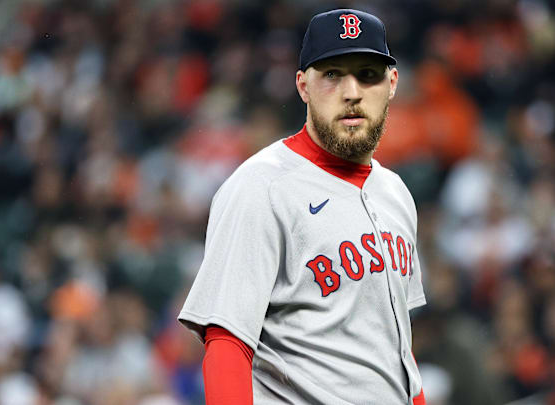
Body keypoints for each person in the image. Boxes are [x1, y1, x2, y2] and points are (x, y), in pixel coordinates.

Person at [178, 8, 427, 404]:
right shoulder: (260, 187)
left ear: (392, 83)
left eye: (367, 74)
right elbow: (227, 344)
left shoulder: (396, 193)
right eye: (332, 74)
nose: (351, 92)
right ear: (303, 86)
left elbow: (396, 353)